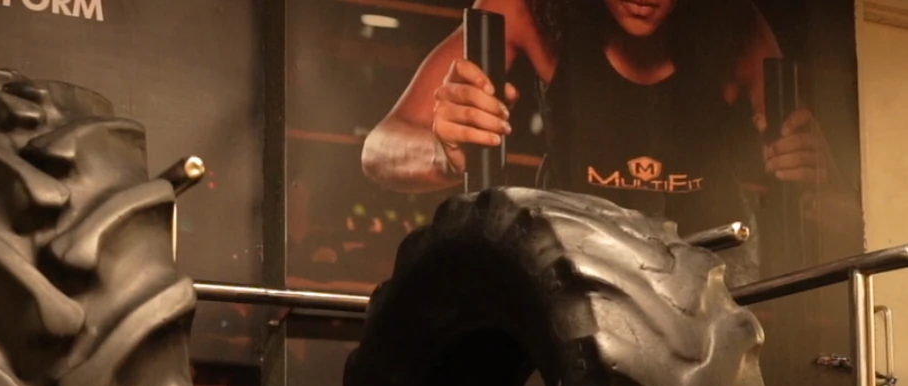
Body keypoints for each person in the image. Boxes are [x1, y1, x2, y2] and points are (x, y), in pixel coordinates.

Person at [360, 0, 844, 275]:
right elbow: (380, 148)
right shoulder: (531, 9)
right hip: (576, 269)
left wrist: (820, 177)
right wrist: (445, 153)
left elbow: (832, 207)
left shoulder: (735, 23)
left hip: (707, 271)